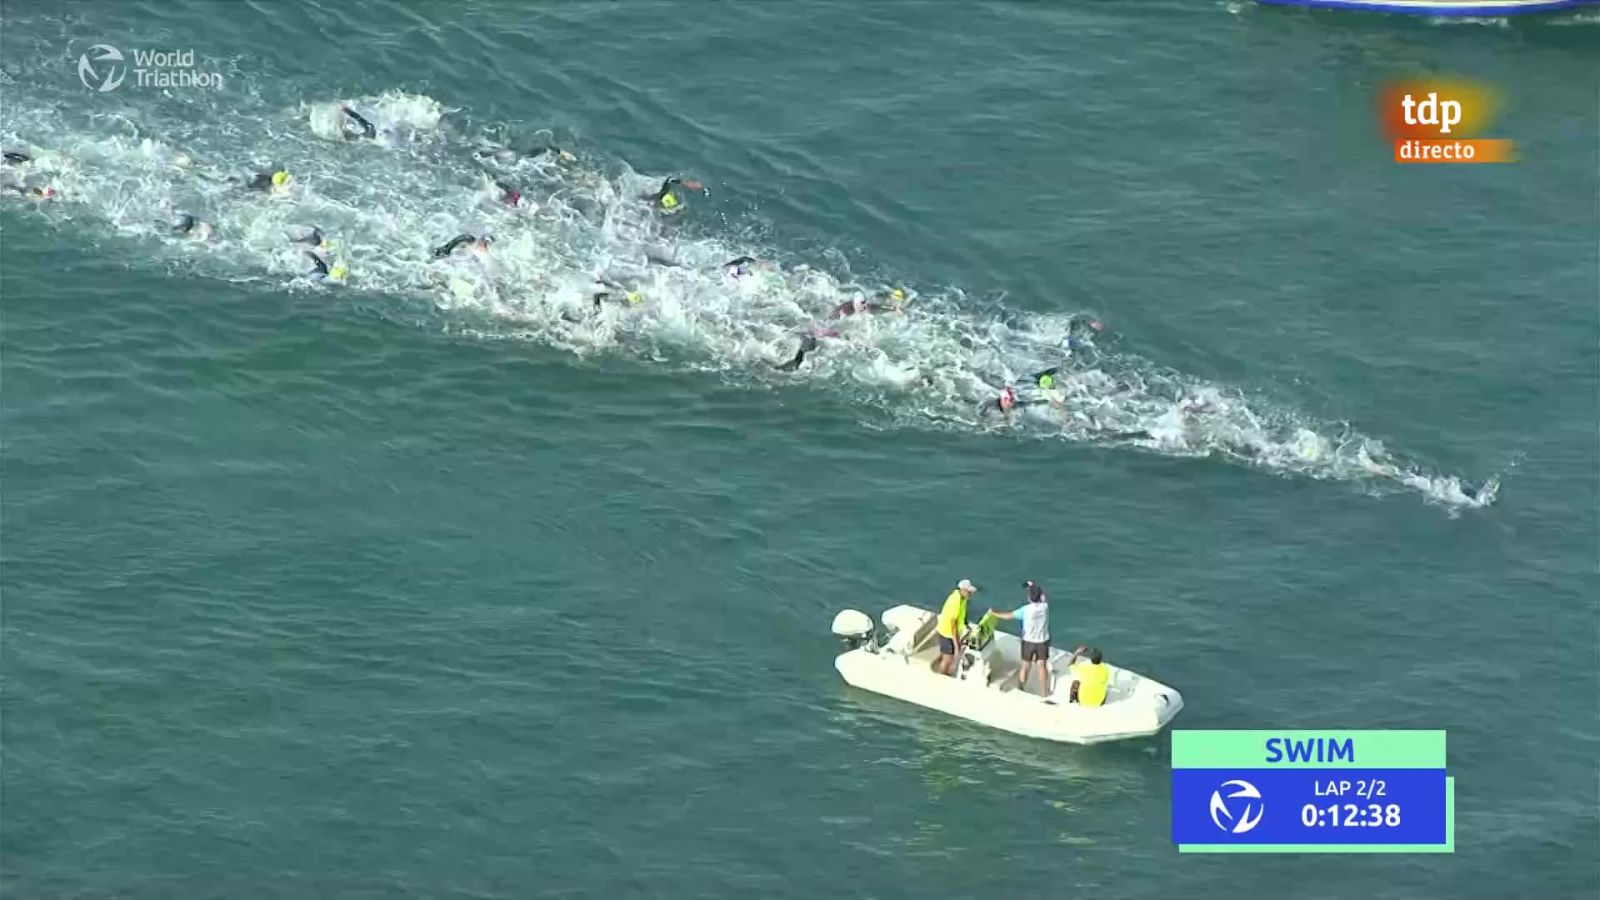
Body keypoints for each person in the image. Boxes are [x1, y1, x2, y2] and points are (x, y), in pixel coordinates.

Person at [989, 580, 1050, 695]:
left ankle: (1022, 689)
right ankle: (1044, 693)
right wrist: (1032, 586)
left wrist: (994, 613)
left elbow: (1008, 616)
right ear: (1040, 597)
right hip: (1042, 641)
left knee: (1026, 665)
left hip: (1029, 641)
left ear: (1029, 598)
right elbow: (1042, 595)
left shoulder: (1025, 610)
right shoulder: (1044, 607)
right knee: (1042, 666)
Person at [936, 579, 979, 676]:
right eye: (969, 592)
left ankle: (943, 672)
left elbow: (961, 614)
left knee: (947, 656)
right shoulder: (955, 601)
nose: (970, 594)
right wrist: (956, 644)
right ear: (962, 590)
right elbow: (953, 624)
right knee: (948, 658)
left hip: (948, 631)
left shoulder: (962, 599)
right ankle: (941, 676)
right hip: (947, 632)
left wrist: (965, 624)